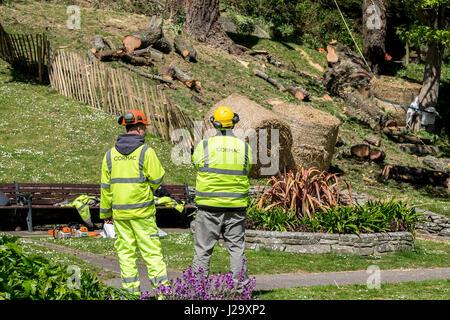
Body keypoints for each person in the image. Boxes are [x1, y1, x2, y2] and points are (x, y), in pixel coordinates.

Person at [100, 110, 168, 296]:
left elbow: (105, 188)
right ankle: (162, 294)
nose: (145, 131)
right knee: (152, 255)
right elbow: (157, 180)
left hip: (120, 216)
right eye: (144, 127)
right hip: (143, 215)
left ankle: (131, 294)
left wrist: (106, 214)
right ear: (138, 129)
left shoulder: (109, 155)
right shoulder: (146, 152)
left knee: (126, 256)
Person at [192, 106, 252, 284]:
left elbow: (197, 164)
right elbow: (246, 169)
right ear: (234, 123)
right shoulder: (244, 147)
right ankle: (240, 290)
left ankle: (197, 290)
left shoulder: (204, 146)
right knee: (236, 249)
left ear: (214, 124)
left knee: (203, 250)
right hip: (236, 206)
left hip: (208, 205)